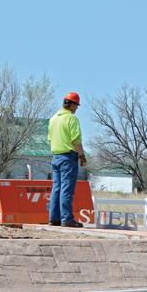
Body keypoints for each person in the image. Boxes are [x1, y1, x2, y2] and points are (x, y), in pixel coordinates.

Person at [48, 92, 87, 227]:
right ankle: (67, 219)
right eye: (76, 105)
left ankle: (54, 218)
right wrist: (82, 156)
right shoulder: (72, 119)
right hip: (68, 157)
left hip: (56, 157)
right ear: (72, 105)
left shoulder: (53, 119)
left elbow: (50, 139)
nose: (76, 108)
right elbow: (76, 140)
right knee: (67, 189)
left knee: (56, 188)